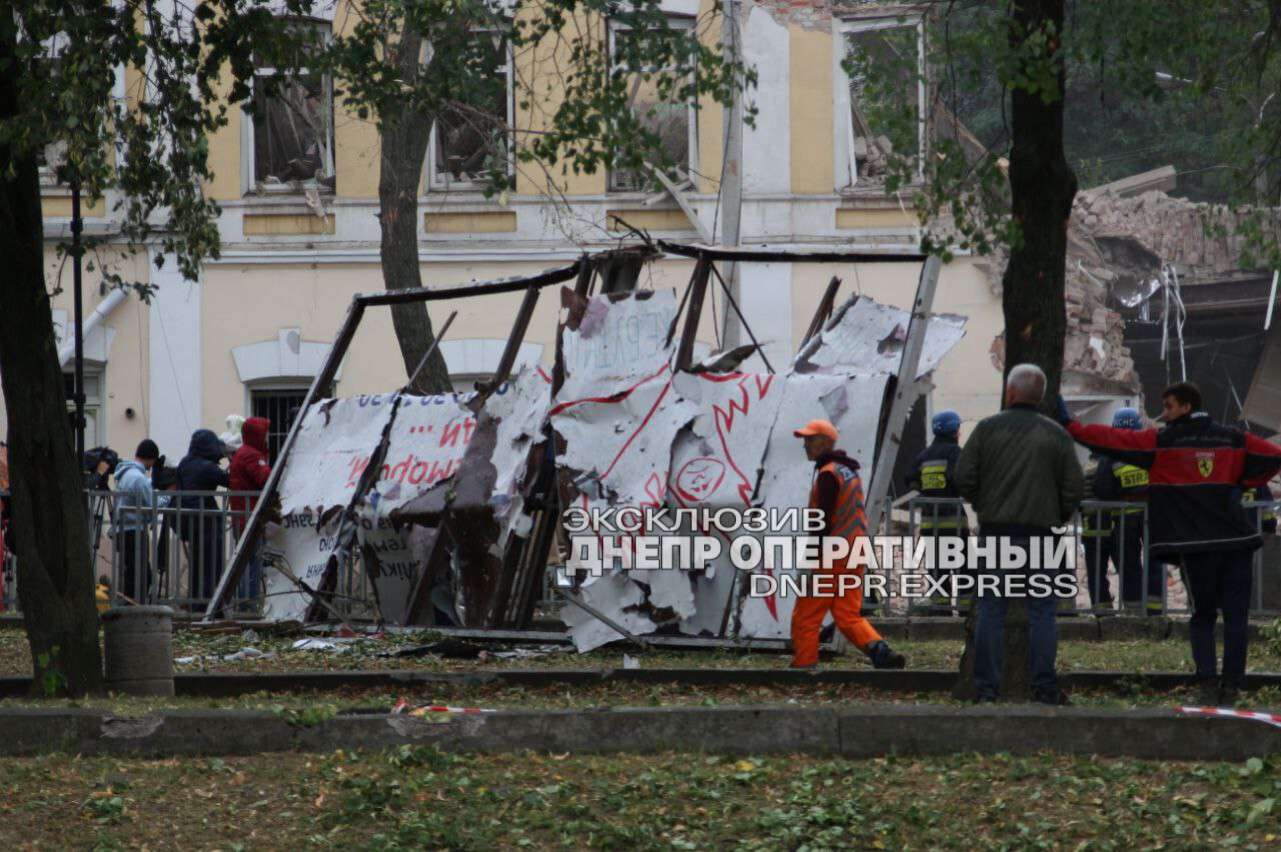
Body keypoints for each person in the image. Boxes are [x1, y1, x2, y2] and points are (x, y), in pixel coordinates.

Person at [1059, 381, 1281, 702]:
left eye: (1169, 406)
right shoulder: (1233, 438)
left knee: (1203, 615)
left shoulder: (1163, 443)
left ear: (1186, 407)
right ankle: (1233, 684)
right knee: (1236, 618)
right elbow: (1273, 457)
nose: (1163, 414)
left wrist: (1071, 426)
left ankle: (1207, 682)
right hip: (1237, 542)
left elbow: (1112, 439)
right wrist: (1244, 481)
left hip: (1196, 547)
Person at [955, 364, 1083, 705]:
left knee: (991, 608)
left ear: (1010, 392)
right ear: (1040, 396)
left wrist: (984, 503)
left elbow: (964, 476)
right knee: (1042, 611)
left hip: (997, 534)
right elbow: (1074, 487)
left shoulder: (987, 429)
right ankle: (1044, 687)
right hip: (1043, 536)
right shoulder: (1057, 434)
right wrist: (1056, 514)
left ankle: (986, 689)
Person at [789, 418, 906, 670]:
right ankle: (881, 652)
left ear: (825, 442)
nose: (805, 445)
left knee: (807, 613)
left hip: (833, 554)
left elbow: (822, 522)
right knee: (847, 614)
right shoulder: (847, 471)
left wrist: (812, 559)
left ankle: (804, 666)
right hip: (855, 551)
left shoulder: (828, 474)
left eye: (810, 439)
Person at [1093, 408, 1163, 614]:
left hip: (1124, 518)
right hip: (1153, 515)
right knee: (1155, 559)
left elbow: (1102, 489)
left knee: (1129, 563)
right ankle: (1155, 608)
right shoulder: (1150, 451)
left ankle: (1133, 608)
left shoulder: (1111, 455)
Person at [907, 410, 970, 615]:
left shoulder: (923, 456)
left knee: (937, 568)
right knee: (965, 567)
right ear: (954, 430)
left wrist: (927, 492)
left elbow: (910, 480)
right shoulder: (956, 453)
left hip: (930, 523)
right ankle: (966, 609)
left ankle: (940, 609)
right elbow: (960, 480)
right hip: (954, 522)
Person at [177, 429, 230, 605]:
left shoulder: (184, 463)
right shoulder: (207, 467)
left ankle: (196, 602)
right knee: (211, 565)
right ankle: (209, 603)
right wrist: (231, 458)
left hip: (190, 521)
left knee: (197, 565)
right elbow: (229, 480)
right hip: (207, 521)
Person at [229, 417, 272, 609]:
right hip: (249, 518)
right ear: (258, 435)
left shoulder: (244, 453)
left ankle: (245, 603)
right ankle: (248, 605)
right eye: (265, 433)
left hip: (244, 516)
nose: (268, 437)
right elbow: (266, 479)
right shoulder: (251, 455)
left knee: (248, 562)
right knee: (253, 563)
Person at [112, 439, 160, 603]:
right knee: (141, 575)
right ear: (151, 458)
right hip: (134, 531)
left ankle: (129, 604)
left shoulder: (125, 474)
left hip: (123, 530)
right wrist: (166, 497)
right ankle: (134, 605)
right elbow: (151, 505)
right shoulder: (139, 478)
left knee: (132, 572)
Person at [1079, 451, 1116, 611]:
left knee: (1095, 571)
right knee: (1126, 566)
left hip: (1090, 524)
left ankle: (1101, 608)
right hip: (1112, 522)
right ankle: (1132, 606)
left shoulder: (1085, 468)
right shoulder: (1110, 466)